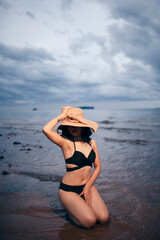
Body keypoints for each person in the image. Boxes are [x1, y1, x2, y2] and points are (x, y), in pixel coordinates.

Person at [43, 106, 109, 228]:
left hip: (88, 186)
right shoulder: (65, 142)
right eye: (70, 124)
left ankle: (80, 207)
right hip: (69, 191)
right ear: (66, 126)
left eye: (77, 124)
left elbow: (98, 167)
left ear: (83, 126)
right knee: (90, 221)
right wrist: (60, 118)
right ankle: (71, 213)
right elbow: (46, 130)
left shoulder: (91, 143)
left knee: (103, 218)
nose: (73, 127)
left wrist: (88, 187)